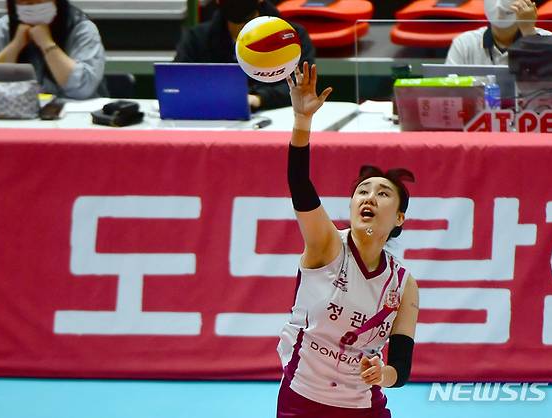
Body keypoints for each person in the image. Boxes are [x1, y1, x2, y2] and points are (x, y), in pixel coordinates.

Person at [278, 61, 419, 417]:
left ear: (399, 218)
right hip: (302, 400)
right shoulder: (327, 246)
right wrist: (302, 121)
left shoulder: (403, 284)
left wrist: (382, 374)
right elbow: (300, 186)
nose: (369, 198)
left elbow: (401, 368)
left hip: (363, 406)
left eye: (383, 194)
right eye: (362, 191)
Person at [174, 0, 315, 110]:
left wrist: (259, 99)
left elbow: (301, 84)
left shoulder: (291, 37)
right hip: (211, 118)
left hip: (276, 117)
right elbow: (177, 82)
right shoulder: (196, 38)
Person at [0, 0, 106, 99]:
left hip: (73, 116)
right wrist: (15, 45)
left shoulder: (81, 28)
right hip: (15, 112)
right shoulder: (2, 27)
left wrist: (46, 43)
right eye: (25, 1)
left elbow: (83, 89)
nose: (32, 5)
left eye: (40, 1)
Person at [446, 0, 551, 65]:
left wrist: (528, 33)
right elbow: (447, 90)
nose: (499, 5)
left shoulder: (547, 40)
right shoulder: (464, 44)